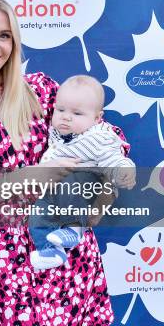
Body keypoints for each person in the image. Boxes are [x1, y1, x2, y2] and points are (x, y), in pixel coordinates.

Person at [0, 0, 119, 326]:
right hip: (6, 256)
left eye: (4, 35)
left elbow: (105, 133)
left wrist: (105, 190)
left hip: (65, 244)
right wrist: (31, 176)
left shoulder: (40, 91)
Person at [28, 75, 136, 269]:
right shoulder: (58, 132)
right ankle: (51, 251)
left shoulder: (98, 137)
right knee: (38, 213)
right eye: (60, 110)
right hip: (52, 193)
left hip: (83, 191)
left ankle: (75, 228)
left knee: (74, 182)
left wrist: (123, 170)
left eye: (77, 114)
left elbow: (113, 158)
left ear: (97, 118)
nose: (66, 117)